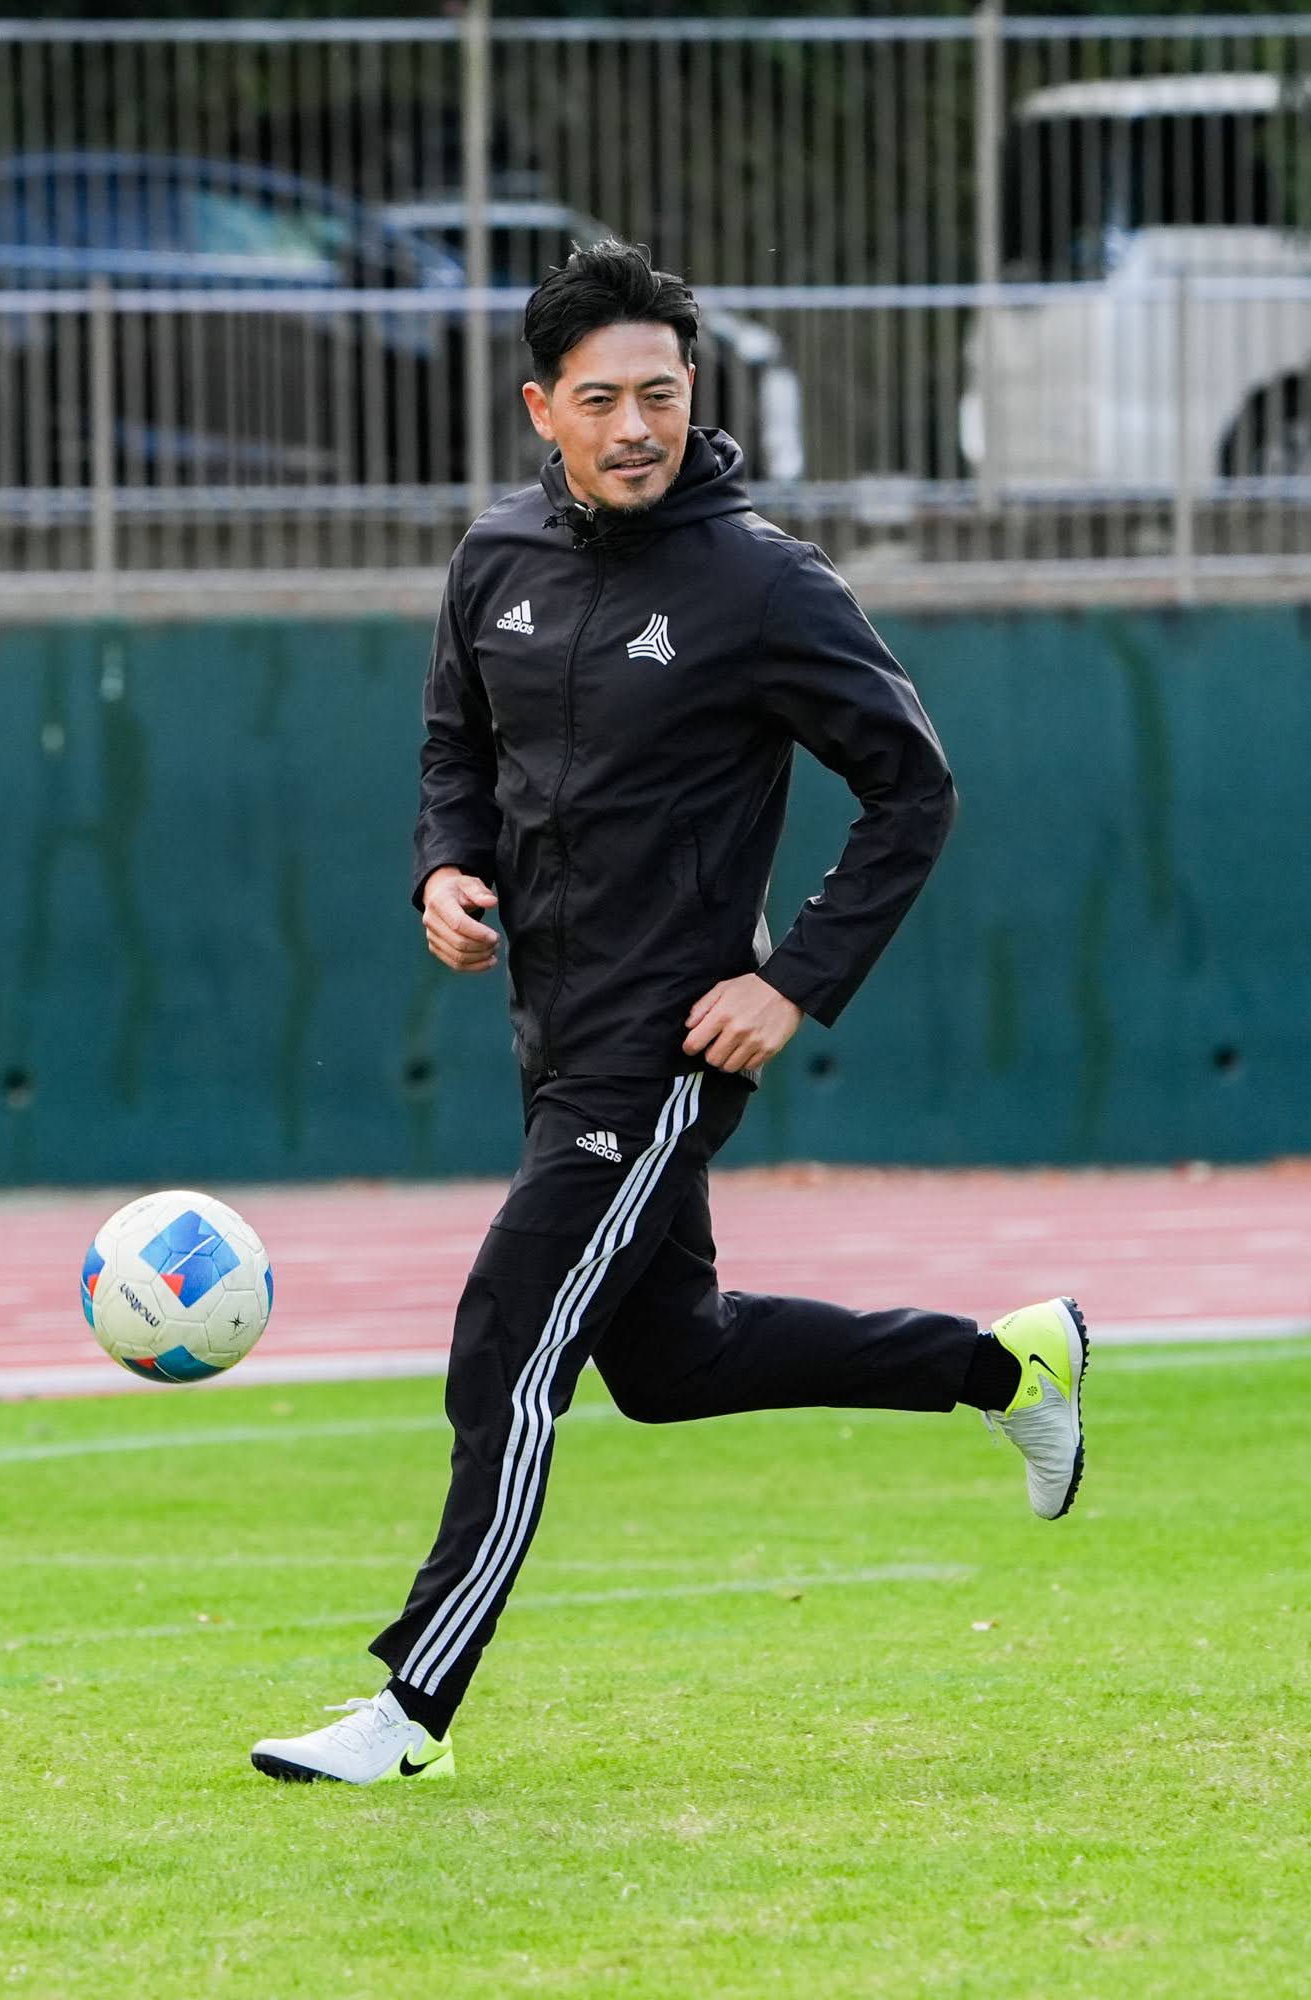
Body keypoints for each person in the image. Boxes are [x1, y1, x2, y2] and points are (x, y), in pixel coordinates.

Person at [249, 243, 1087, 1787]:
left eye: (659, 393)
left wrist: (792, 982)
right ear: (541, 410)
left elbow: (914, 792)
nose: (634, 426)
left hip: (668, 1045)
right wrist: (446, 870)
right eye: (599, 400)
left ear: (692, 390)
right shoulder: (494, 557)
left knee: (508, 1346)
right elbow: (455, 751)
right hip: (551, 1030)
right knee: (672, 1363)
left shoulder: (763, 581)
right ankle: (1003, 1368)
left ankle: (411, 1709)